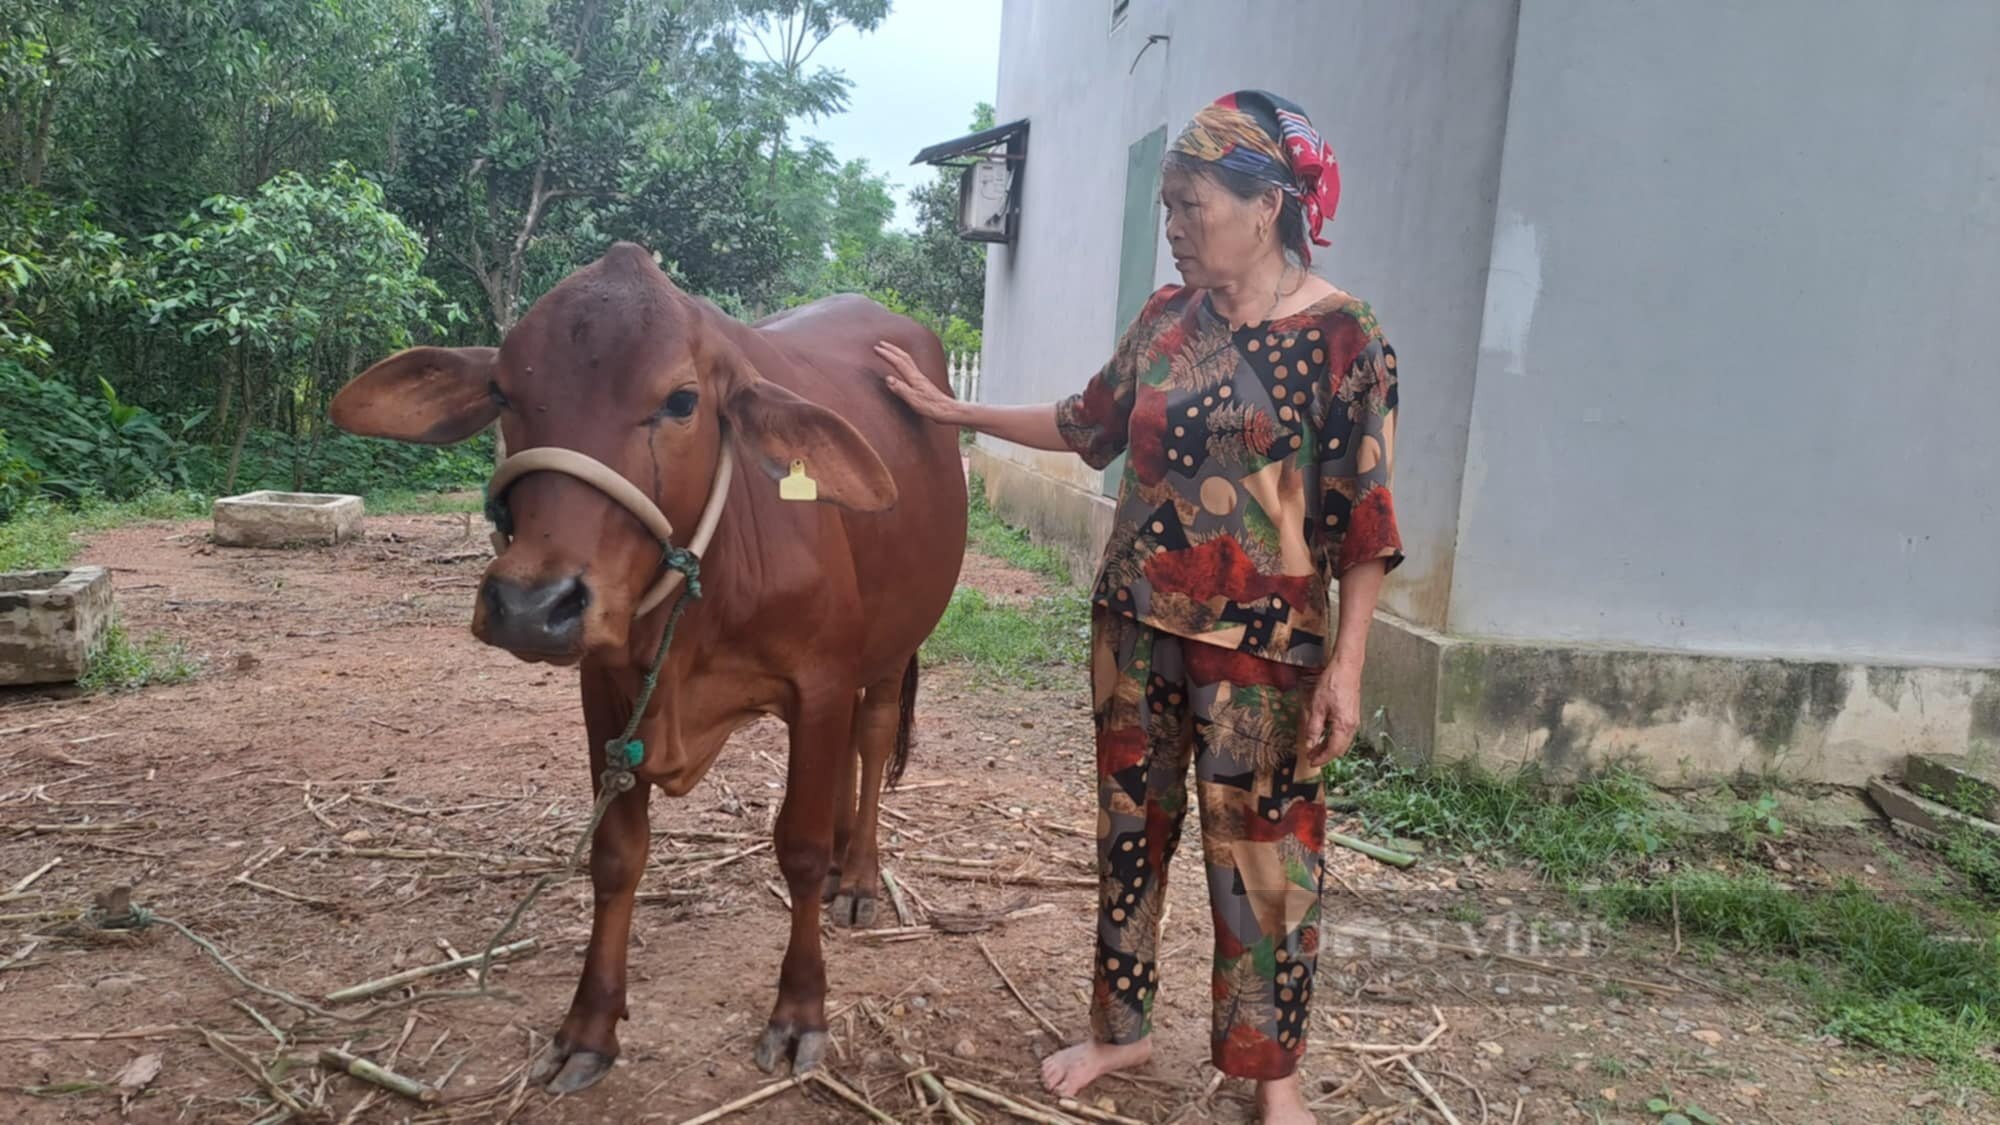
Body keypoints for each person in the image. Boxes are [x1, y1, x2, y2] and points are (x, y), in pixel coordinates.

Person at [875, 90, 1401, 1125]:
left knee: (1264, 863)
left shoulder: (1345, 338)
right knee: (1130, 836)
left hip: (1263, 654)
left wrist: (1345, 665)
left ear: (1264, 207)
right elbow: (1084, 425)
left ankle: (1268, 1075)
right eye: (1163, 206)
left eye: (1188, 205)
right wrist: (952, 412)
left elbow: (1365, 518)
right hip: (1133, 628)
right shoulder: (1165, 323)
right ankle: (1120, 1032)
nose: (1170, 228)